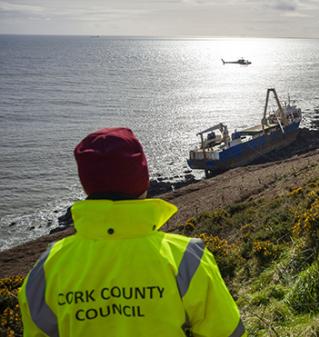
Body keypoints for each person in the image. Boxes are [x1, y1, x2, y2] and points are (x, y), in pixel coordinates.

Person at [18, 127, 246, 337]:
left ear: (86, 184)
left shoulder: (48, 269)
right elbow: (226, 332)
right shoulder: (186, 258)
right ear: (143, 182)